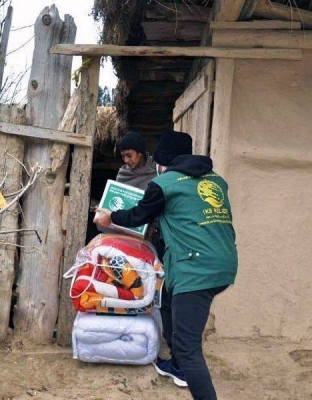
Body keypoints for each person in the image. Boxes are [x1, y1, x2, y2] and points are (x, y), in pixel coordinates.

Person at [94, 129, 239, 400]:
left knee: (187, 347)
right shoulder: (216, 180)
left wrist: (109, 217)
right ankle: (178, 365)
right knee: (169, 300)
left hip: (195, 268)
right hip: (224, 261)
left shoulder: (164, 183)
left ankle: (184, 368)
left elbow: (139, 214)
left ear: (163, 161)